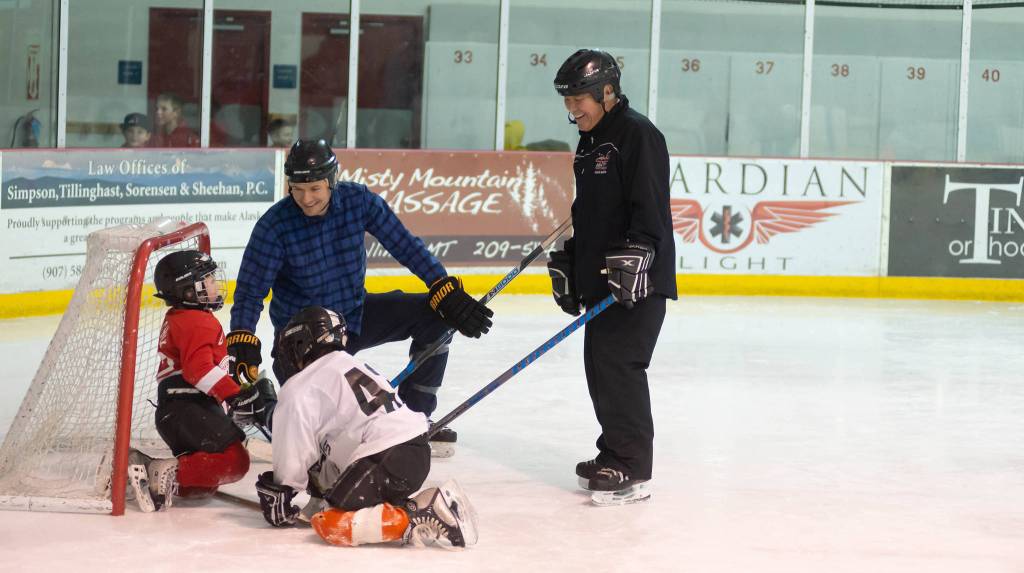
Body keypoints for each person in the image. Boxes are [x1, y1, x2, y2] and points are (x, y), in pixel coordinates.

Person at [228, 139, 493, 456]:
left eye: (314, 188)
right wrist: (243, 336)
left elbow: (404, 244)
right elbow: (249, 291)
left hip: (354, 316)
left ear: (331, 180)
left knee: (435, 316)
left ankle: (415, 418)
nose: (306, 199)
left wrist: (441, 285)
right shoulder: (274, 227)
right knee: (323, 434)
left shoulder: (358, 202)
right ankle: (267, 412)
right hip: (303, 342)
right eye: (297, 189)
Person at [547, 49, 677, 504]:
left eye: (579, 98)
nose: (572, 109)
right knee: (600, 369)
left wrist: (639, 254)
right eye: (567, 101)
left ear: (607, 91)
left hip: (636, 281)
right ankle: (614, 453)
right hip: (603, 280)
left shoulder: (637, 134)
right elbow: (593, 213)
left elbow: (651, 208)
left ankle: (632, 467)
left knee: (621, 368)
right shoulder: (592, 139)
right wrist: (575, 261)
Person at [253, 306, 478, 548]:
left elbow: (294, 451)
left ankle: (421, 512)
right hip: (415, 452)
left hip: (386, 457)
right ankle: (399, 506)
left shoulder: (299, 386)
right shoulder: (349, 363)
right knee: (329, 466)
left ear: (301, 343)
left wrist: (283, 491)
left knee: (332, 522)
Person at [127, 250, 267, 512]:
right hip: (187, 409)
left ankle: (147, 468)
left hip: (181, 411)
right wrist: (234, 395)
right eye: (209, 279)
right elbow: (198, 370)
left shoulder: (183, 317)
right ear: (188, 291)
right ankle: (161, 470)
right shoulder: (198, 321)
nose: (215, 284)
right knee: (235, 462)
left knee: (200, 487)